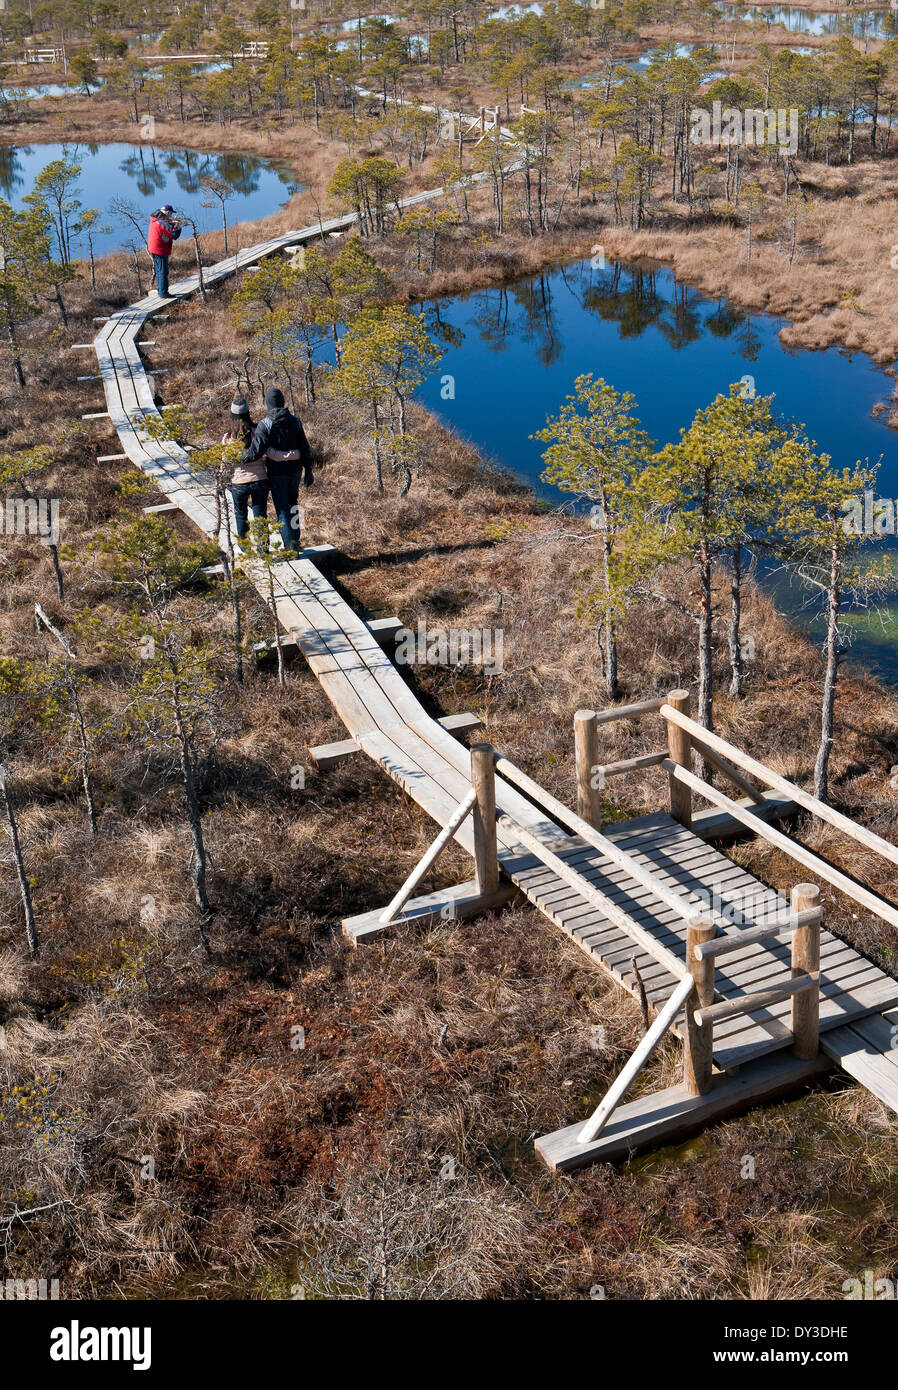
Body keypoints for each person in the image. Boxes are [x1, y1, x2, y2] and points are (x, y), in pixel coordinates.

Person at [240, 386, 313, 554]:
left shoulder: (265, 425)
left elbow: (255, 452)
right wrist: (308, 470)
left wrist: (239, 458)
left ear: (268, 404)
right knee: (294, 504)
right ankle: (296, 540)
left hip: (277, 473)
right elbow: (305, 447)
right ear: (282, 402)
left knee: (282, 509)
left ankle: (290, 547)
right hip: (296, 471)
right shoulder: (296, 421)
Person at [223, 397, 269, 541]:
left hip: (238, 482)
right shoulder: (257, 431)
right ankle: (263, 549)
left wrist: (222, 479)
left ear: (232, 415)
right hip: (260, 479)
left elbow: (224, 462)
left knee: (240, 514)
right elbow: (267, 452)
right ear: (248, 413)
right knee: (260, 515)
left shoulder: (228, 437)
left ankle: (244, 546)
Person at [147, 204, 182, 298]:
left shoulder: (156, 219)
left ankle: (160, 290)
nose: (171, 215)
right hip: (160, 250)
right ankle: (163, 293)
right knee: (163, 271)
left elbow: (165, 228)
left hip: (153, 249)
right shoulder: (163, 222)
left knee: (159, 270)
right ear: (167, 212)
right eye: (170, 213)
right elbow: (174, 235)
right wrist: (179, 225)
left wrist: (172, 223)